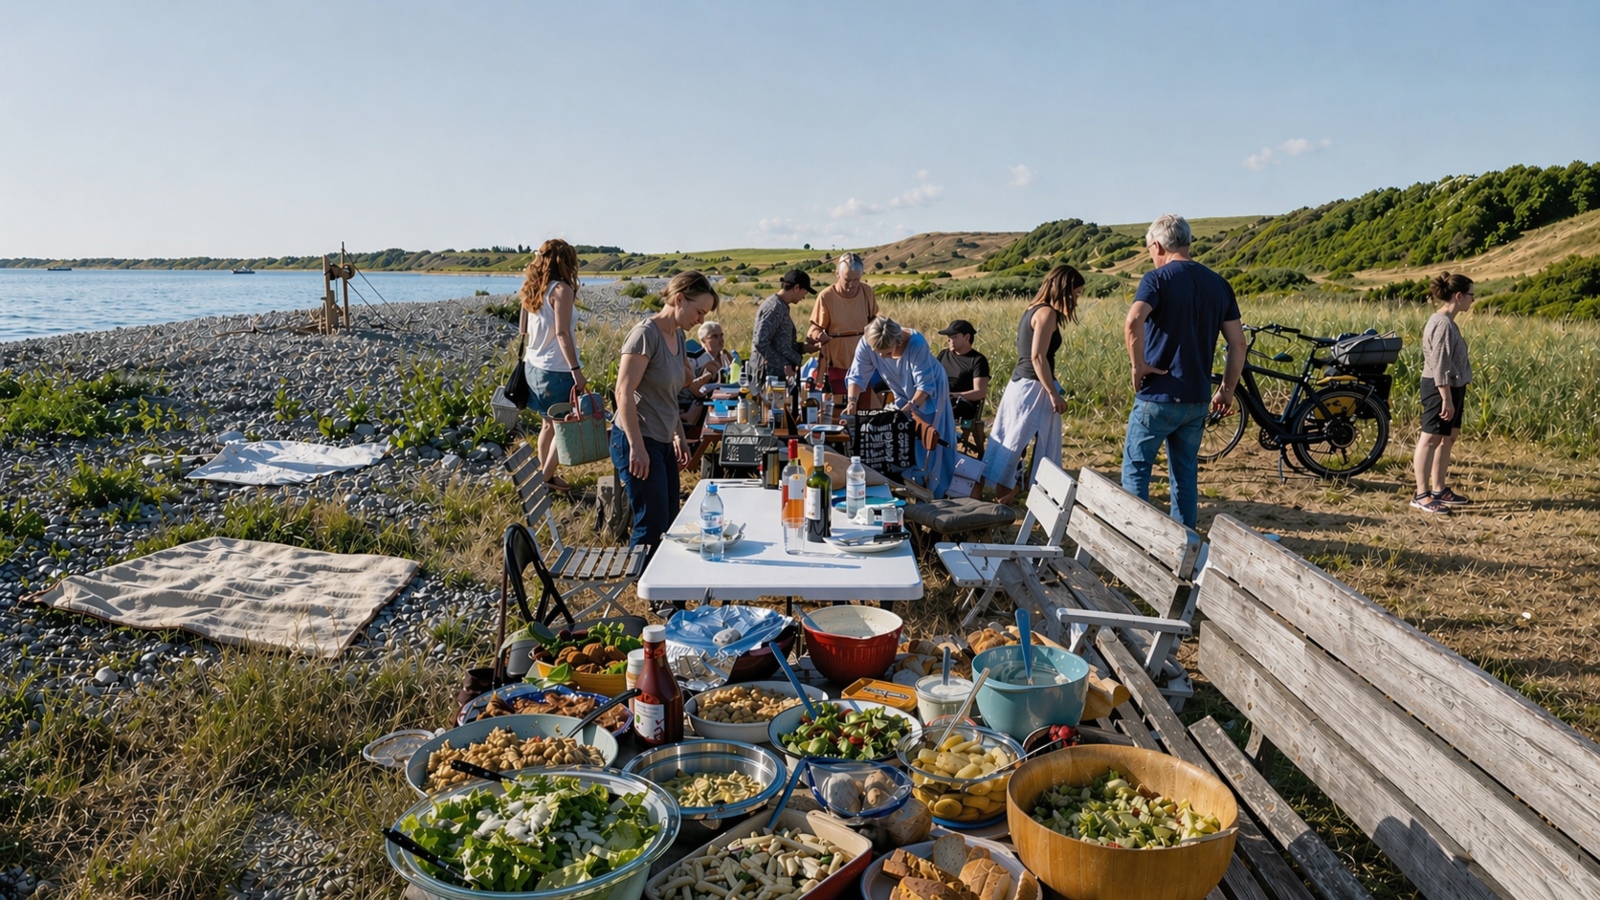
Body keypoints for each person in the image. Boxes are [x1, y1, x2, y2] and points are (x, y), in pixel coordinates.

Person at [1121, 215, 1246, 529]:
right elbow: (1238, 344)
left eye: (1150, 249)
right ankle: (1186, 542)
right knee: (1185, 477)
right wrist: (1226, 390)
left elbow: (1133, 321)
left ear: (1158, 245)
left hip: (1158, 395)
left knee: (1136, 470)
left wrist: (1138, 365)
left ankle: (1134, 538)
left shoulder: (1156, 279)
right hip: (1196, 398)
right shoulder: (1219, 284)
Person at [611, 271, 719, 554]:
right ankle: (642, 580)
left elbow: (669, 394)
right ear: (679, 299)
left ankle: (663, 581)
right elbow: (623, 392)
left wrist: (678, 434)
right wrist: (636, 447)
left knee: (670, 518)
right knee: (651, 525)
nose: (701, 320)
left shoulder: (678, 335)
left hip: (662, 438)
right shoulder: (645, 335)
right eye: (699, 311)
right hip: (637, 438)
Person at [980, 266, 1082, 505]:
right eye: (1076, 293)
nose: (1077, 299)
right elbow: (1037, 357)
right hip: (1032, 387)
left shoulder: (1033, 309)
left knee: (1014, 440)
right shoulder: (1046, 313)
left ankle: (1009, 494)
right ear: (1064, 290)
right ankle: (1009, 495)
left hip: (1022, 384)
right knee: (1020, 442)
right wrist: (1053, 393)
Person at [843, 318, 956, 499]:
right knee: (901, 434)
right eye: (878, 353)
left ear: (897, 341)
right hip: (901, 389)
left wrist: (910, 408)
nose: (882, 357)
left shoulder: (916, 344)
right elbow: (857, 376)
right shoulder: (867, 341)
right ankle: (903, 483)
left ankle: (934, 490)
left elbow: (925, 387)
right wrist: (851, 402)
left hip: (930, 390)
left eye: (887, 353)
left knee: (928, 436)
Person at [519, 238, 587, 494]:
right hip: (557, 369)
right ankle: (543, 479)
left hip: (533, 365)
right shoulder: (561, 290)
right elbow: (562, 333)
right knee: (567, 425)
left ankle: (547, 474)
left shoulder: (533, 288)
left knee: (548, 424)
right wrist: (576, 371)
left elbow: (524, 329)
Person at [1411, 272, 1476, 515]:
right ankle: (1421, 494)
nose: (1473, 300)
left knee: (1448, 436)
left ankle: (1438, 489)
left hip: (1453, 386)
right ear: (1459, 296)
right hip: (1440, 387)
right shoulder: (1442, 324)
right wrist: (1446, 398)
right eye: (1471, 295)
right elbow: (1439, 364)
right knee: (1430, 438)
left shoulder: (1448, 321)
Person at [809, 253, 878, 396]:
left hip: (864, 364)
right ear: (837, 275)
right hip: (836, 365)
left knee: (865, 405)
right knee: (838, 405)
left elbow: (874, 320)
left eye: (856, 279)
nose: (852, 284)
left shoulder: (866, 292)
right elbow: (815, 328)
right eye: (847, 280)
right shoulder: (826, 296)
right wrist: (818, 336)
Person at [751, 269, 828, 385]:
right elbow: (760, 342)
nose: (804, 297)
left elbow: (780, 343)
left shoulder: (780, 306)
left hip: (776, 378)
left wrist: (804, 348)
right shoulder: (774, 308)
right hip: (769, 379)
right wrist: (784, 364)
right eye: (805, 292)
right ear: (797, 288)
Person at [936, 318, 991, 454]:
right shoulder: (943, 355)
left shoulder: (977, 360)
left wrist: (955, 395)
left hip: (962, 404)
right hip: (941, 397)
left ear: (967, 337)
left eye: (954, 337)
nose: (949, 340)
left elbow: (979, 392)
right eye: (948, 337)